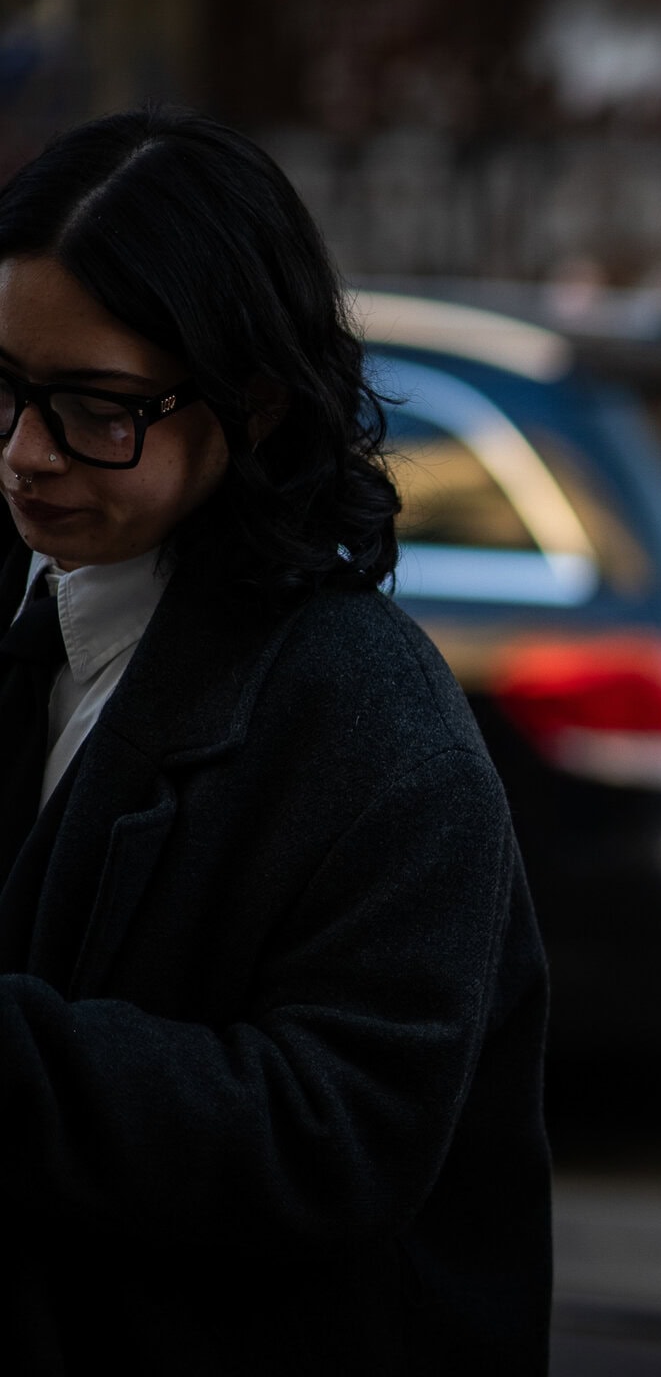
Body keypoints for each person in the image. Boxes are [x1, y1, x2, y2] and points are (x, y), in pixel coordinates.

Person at [0, 109, 549, 1372]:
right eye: (11, 390)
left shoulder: (367, 712)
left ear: (248, 403)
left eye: (97, 408)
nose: (29, 455)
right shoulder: (44, 608)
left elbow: (339, 1134)